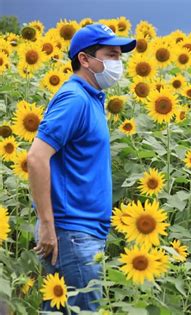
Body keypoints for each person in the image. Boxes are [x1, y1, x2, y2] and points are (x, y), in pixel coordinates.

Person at [27, 24, 136, 312]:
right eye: (111, 55)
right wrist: (47, 225)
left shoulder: (91, 97)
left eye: (120, 56)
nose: (118, 63)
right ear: (85, 59)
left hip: (81, 232)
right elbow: (37, 157)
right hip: (71, 232)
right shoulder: (75, 98)